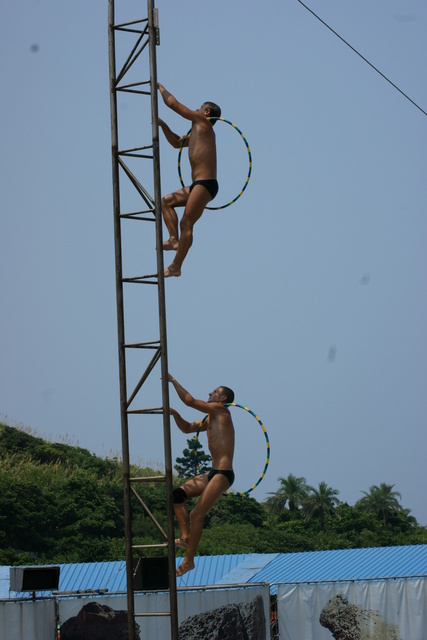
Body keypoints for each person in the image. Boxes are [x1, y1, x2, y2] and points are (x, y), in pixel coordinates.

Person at [167, 374, 235, 576]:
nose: (209, 393)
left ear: (222, 399)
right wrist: (174, 414)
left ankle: (189, 560)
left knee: (197, 514)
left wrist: (173, 382)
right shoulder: (210, 418)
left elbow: (189, 401)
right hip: (212, 472)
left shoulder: (221, 411)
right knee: (177, 495)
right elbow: (187, 428)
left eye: (214, 392)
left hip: (223, 473)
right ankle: (186, 536)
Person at [157, 83, 221, 277]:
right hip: (196, 185)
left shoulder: (203, 123)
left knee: (187, 222)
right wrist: (162, 125)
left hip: (206, 184)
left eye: (198, 108)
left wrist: (159, 87)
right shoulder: (195, 131)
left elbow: (174, 104)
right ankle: (173, 239)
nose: (194, 110)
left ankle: (176, 266)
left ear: (206, 112)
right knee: (165, 201)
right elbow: (177, 143)